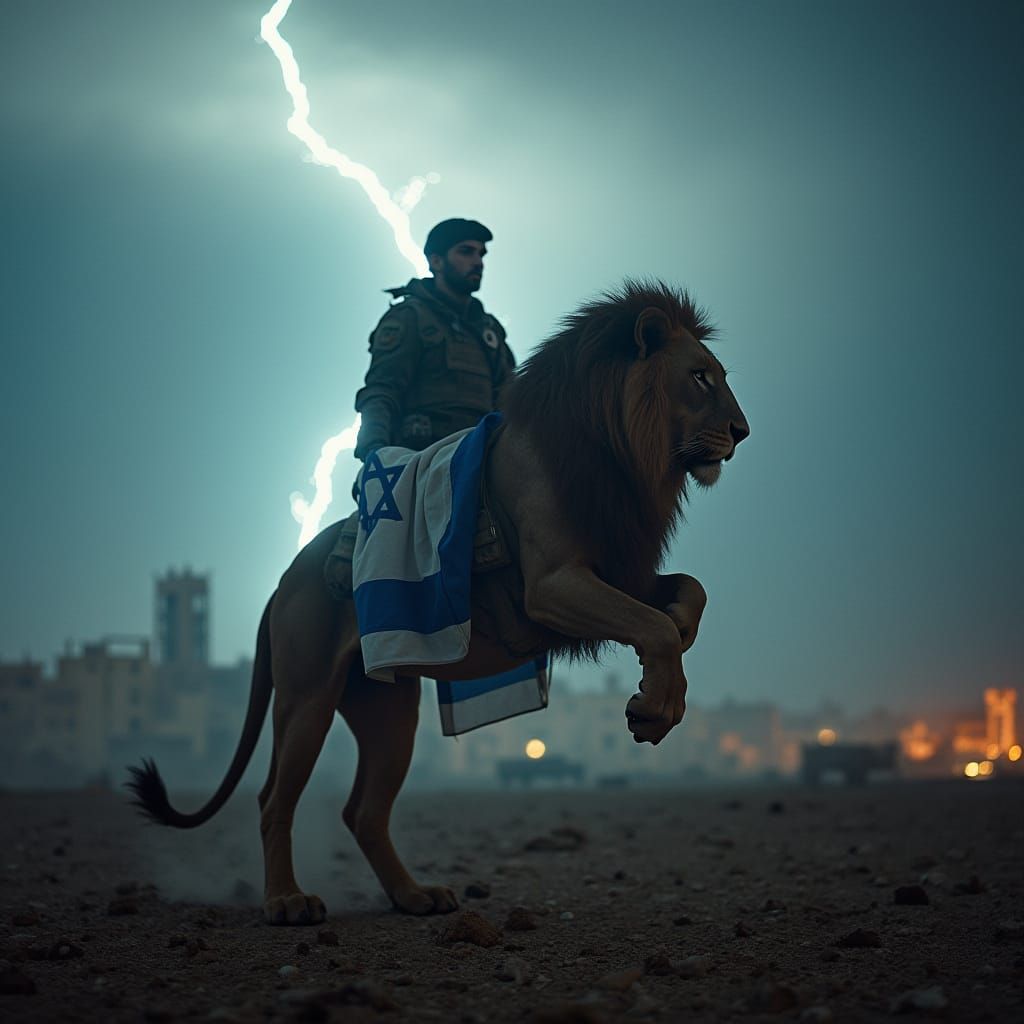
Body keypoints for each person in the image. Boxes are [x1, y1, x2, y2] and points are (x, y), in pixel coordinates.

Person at [353, 218, 516, 460]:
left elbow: (510, 399)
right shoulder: (411, 316)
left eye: (481, 254)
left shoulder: (488, 330)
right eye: (466, 252)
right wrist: (373, 453)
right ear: (436, 261)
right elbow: (383, 389)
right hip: (424, 462)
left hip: (483, 460)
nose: (478, 262)